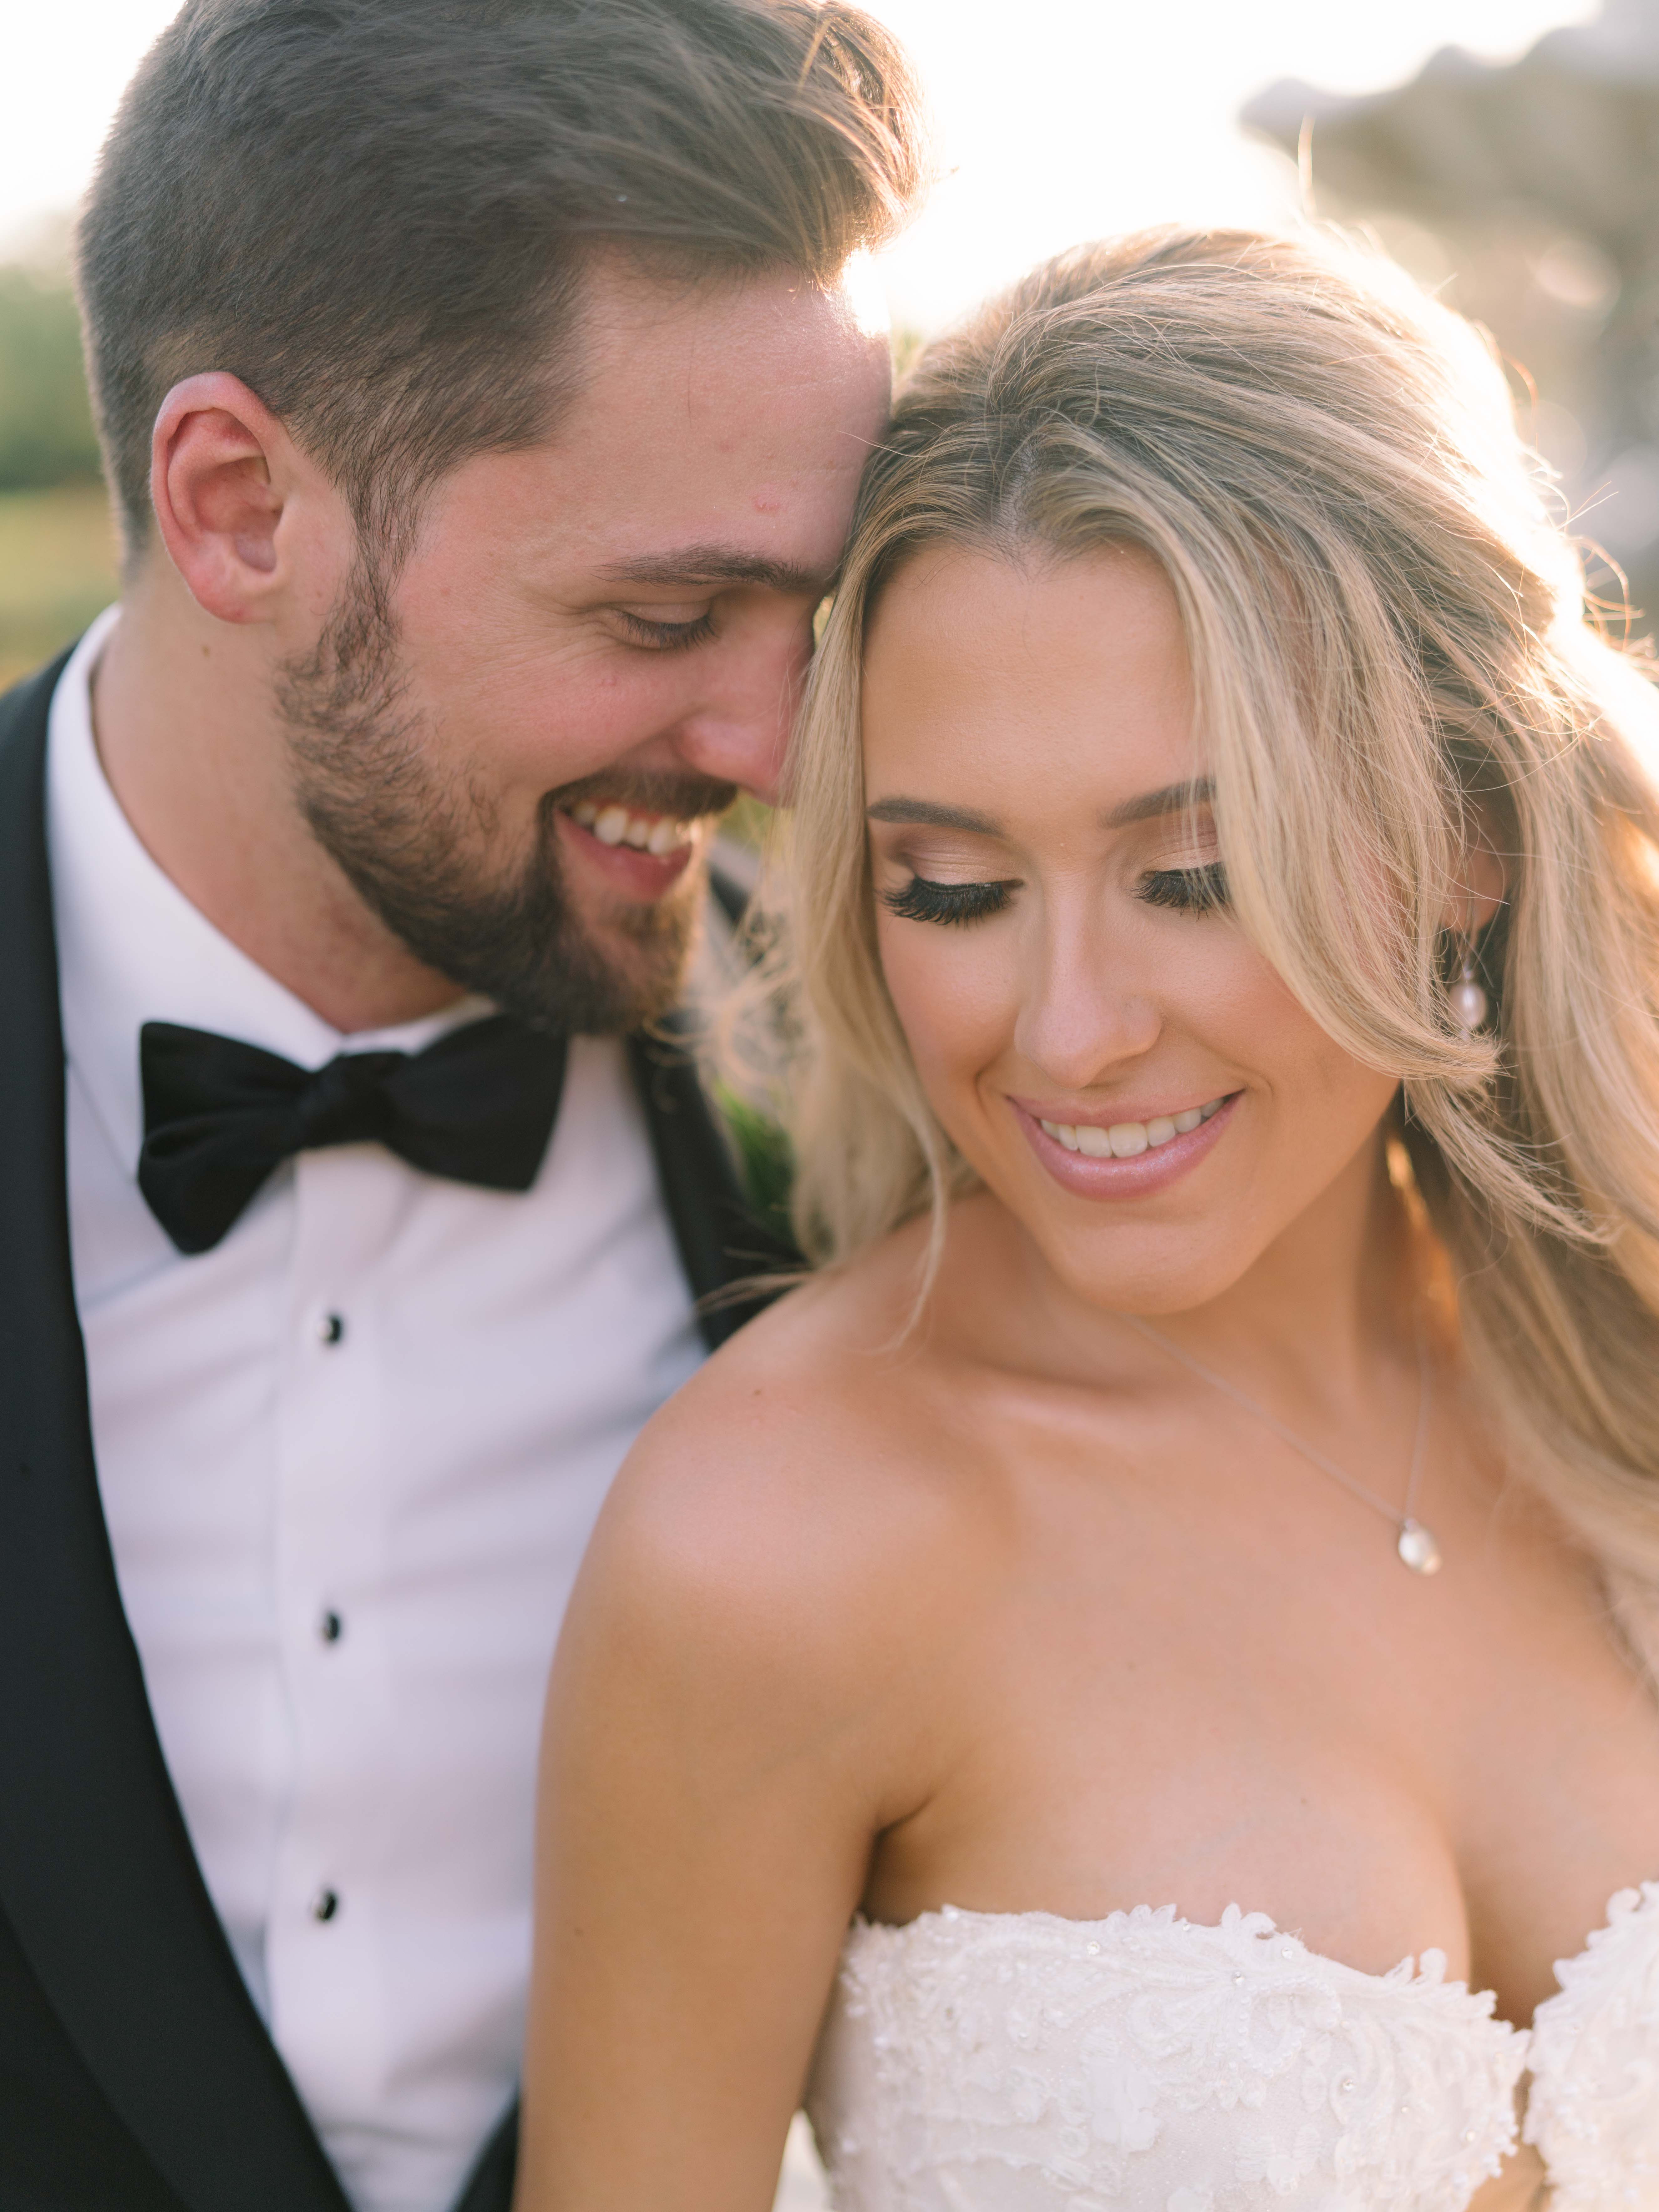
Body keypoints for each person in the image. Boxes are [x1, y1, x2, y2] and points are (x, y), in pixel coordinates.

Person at [520, 228, 1659, 2211]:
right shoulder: (777, 1539)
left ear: (1466, 830)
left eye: (1193, 875)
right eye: (950, 890)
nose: (1065, 1030)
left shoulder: (1629, 1346)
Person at [0, 3, 926, 2208]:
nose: (779, 751)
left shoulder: (931, 1083)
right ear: (242, 506)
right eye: (669, 609)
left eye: (816, 613)